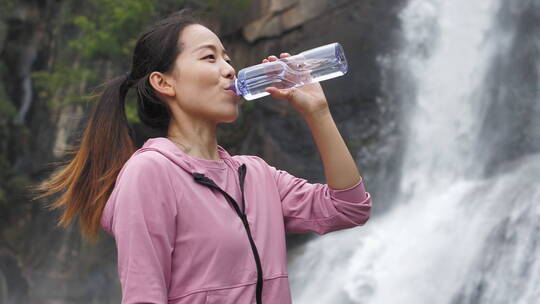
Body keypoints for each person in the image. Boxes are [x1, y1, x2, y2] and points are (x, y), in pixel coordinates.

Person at [33, 9, 372, 304]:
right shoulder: (150, 173)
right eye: (210, 57)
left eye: (227, 58)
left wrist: (318, 112)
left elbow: (349, 208)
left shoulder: (256, 174)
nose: (229, 69)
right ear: (164, 83)